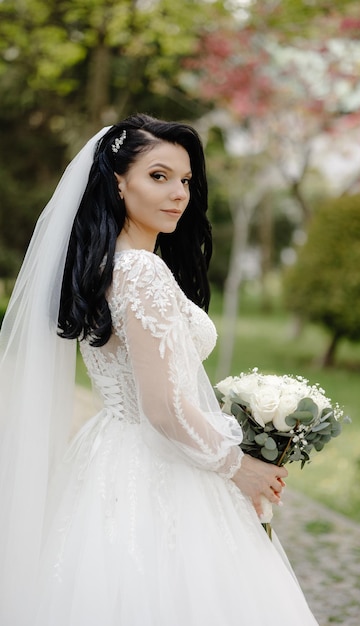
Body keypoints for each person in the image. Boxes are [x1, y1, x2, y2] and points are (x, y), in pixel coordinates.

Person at [0, 113, 319, 625]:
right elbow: (165, 408)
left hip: (110, 454)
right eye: (159, 175)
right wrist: (243, 469)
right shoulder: (141, 270)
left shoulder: (107, 265)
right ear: (117, 181)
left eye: (186, 180)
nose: (178, 194)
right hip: (158, 463)